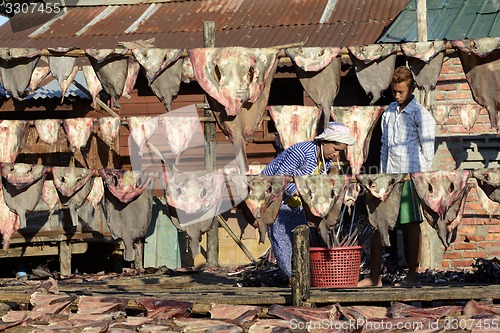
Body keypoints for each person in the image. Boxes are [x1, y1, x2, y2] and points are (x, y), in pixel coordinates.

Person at [358, 66, 435, 287]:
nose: (397, 95)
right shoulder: (389, 112)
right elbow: (384, 146)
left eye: (401, 91)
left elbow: (428, 150)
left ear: (411, 89)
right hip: (387, 177)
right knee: (378, 224)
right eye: (395, 91)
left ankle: (413, 274)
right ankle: (375, 276)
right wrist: (381, 175)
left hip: (410, 177)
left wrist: (420, 178)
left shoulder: (420, 114)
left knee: (411, 223)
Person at [261, 121, 356, 283]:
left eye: (339, 151)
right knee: (281, 238)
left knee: (299, 238)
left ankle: (300, 278)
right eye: (335, 149)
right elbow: (279, 177)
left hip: (297, 203)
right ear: (324, 142)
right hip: (273, 198)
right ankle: (293, 280)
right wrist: (299, 190)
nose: (335, 155)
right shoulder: (301, 152)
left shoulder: (324, 160)